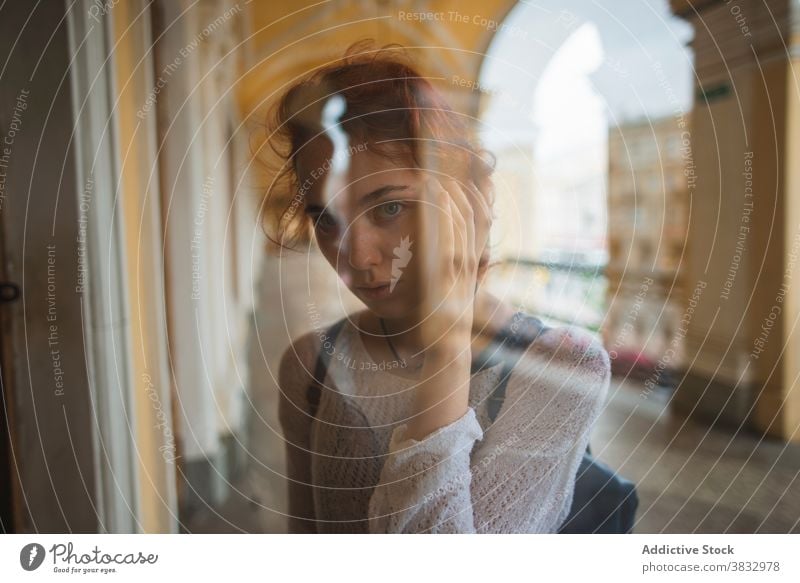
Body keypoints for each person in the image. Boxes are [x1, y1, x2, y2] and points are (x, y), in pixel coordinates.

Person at [262, 41, 611, 533]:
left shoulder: (561, 370)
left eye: (389, 207)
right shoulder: (310, 367)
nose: (356, 256)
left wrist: (447, 348)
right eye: (326, 218)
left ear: (471, 198)